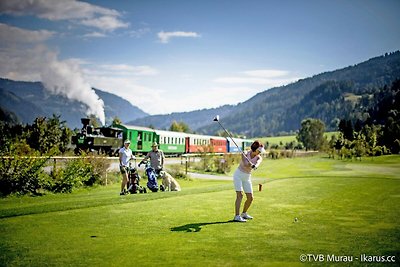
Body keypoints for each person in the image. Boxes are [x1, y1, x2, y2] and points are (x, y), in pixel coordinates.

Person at [233, 140, 265, 222]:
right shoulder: (245, 153)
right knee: (240, 195)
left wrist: (254, 166)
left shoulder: (259, 157)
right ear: (255, 149)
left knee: (250, 198)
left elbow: (257, 164)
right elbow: (245, 164)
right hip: (238, 175)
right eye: (259, 151)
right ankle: (237, 216)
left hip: (247, 177)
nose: (259, 153)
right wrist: (249, 163)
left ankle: (244, 213)